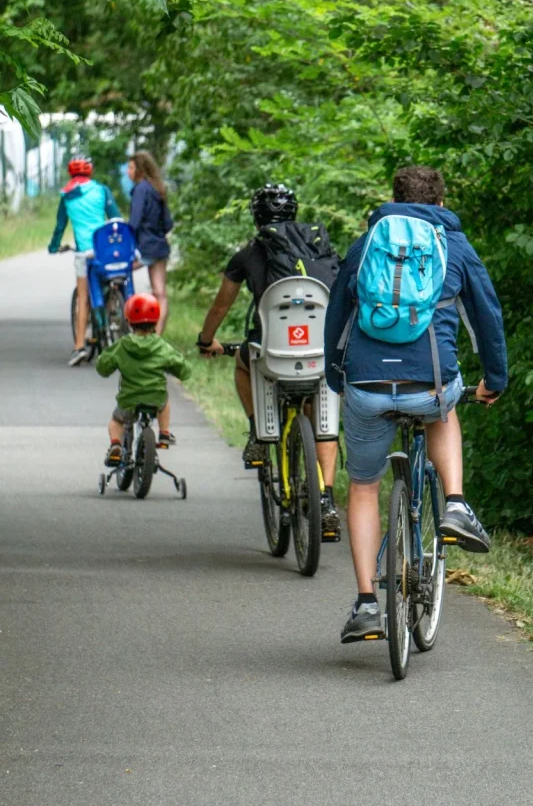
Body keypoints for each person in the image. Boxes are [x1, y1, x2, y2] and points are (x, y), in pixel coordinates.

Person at [324, 165, 508, 643]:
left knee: (364, 487)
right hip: (429, 382)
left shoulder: (367, 245)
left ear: (394, 198)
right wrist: (496, 378)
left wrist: (335, 376)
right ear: (441, 203)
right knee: (444, 407)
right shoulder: (454, 246)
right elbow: (487, 315)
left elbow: (337, 316)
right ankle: (455, 504)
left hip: (365, 382)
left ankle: (367, 604)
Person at [197, 183, 341, 539]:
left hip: (271, 357)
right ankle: (326, 499)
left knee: (243, 362)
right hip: (319, 356)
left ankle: (259, 434)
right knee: (322, 416)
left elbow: (221, 305)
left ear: (256, 216)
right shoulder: (320, 246)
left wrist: (205, 340)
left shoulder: (247, 254)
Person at [96, 293, 191, 467]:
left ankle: (115, 445)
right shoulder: (161, 345)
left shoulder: (123, 345)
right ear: (156, 322)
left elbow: (103, 366)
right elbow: (182, 367)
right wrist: (181, 372)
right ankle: (164, 433)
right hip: (155, 398)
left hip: (129, 399)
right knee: (165, 401)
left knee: (117, 420)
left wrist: (105, 364)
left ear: (129, 321)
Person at [48, 156, 120, 366]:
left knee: (83, 297)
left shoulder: (67, 195)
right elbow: (115, 217)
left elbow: (60, 226)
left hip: (84, 253)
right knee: (113, 279)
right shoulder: (101, 190)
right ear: (90, 172)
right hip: (104, 249)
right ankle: (115, 310)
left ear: (71, 173)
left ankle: (79, 345)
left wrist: (54, 247)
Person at [128, 151, 173, 334]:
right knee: (160, 293)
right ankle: (158, 335)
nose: (128, 172)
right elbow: (168, 223)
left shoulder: (140, 189)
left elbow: (134, 222)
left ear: (139, 170)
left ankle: (123, 315)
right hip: (160, 248)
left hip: (144, 248)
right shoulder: (158, 189)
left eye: (131, 168)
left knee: (118, 273)